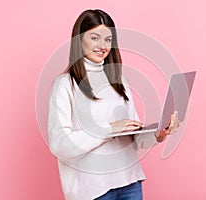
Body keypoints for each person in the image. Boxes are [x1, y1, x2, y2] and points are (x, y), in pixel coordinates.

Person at [48, 9, 179, 200]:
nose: (102, 46)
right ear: (79, 39)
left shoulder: (118, 80)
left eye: (108, 40)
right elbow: (60, 144)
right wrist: (108, 129)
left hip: (130, 182)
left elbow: (133, 138)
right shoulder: (65, 84)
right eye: (95, 37)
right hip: (94, 190)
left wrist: (157, 134)